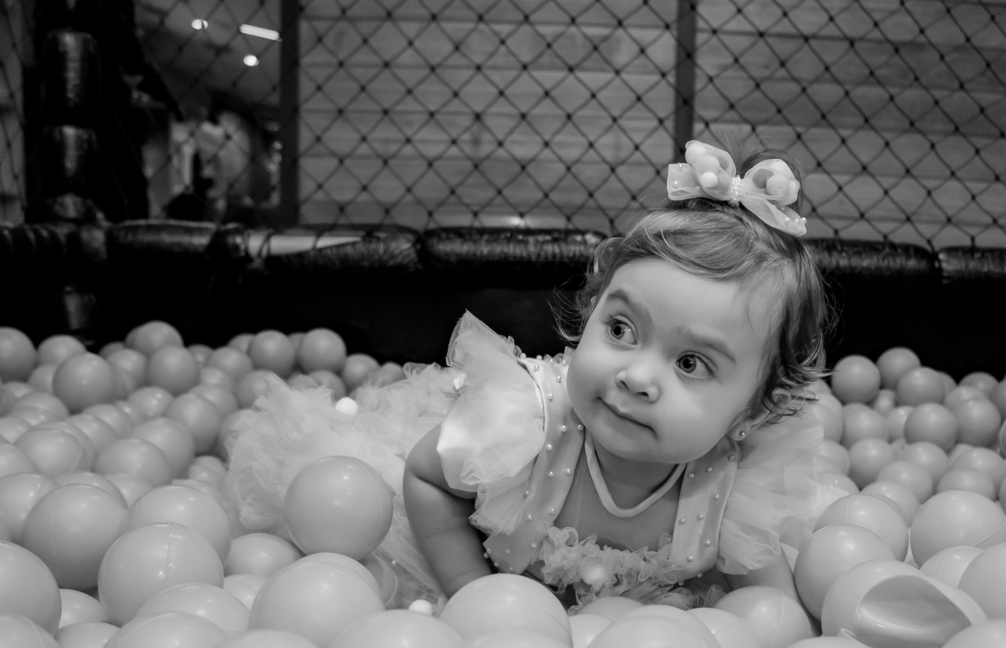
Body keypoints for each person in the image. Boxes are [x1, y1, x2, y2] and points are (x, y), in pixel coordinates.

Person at [225, 138, 843, 611]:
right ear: (593, 309)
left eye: (690, 363)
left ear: (752, 412)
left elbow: (771, 610)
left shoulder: (739, 487)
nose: (635, 376)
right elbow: (426, 477)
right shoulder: (520, 427)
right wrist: (471, 594)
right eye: (622, 331)